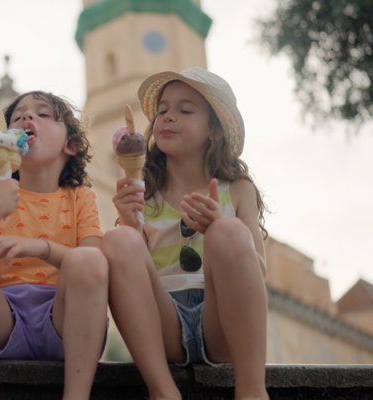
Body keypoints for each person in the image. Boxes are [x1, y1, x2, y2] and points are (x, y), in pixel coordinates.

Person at [102, 68, 270, 400]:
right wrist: (131, 223)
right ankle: (162, 390)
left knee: (231, 233)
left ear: (214, 131)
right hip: (163, 322)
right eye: (162, 110)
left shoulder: (237, 190)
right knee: (118, 239)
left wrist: (216, 228)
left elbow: (259, 272)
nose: (168, 117)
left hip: (221, 321)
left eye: (185, 110)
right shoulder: (144, 194)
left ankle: (252, 390)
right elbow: (133, 272)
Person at [0, 91, 108, 400]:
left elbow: (94, 264)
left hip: (63, 318)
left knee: (89, 262)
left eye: (43, 114)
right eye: (17, 117)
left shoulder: (81, 197)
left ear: (71, 145)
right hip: (1, 318)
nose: (27, 118)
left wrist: (39, 247)